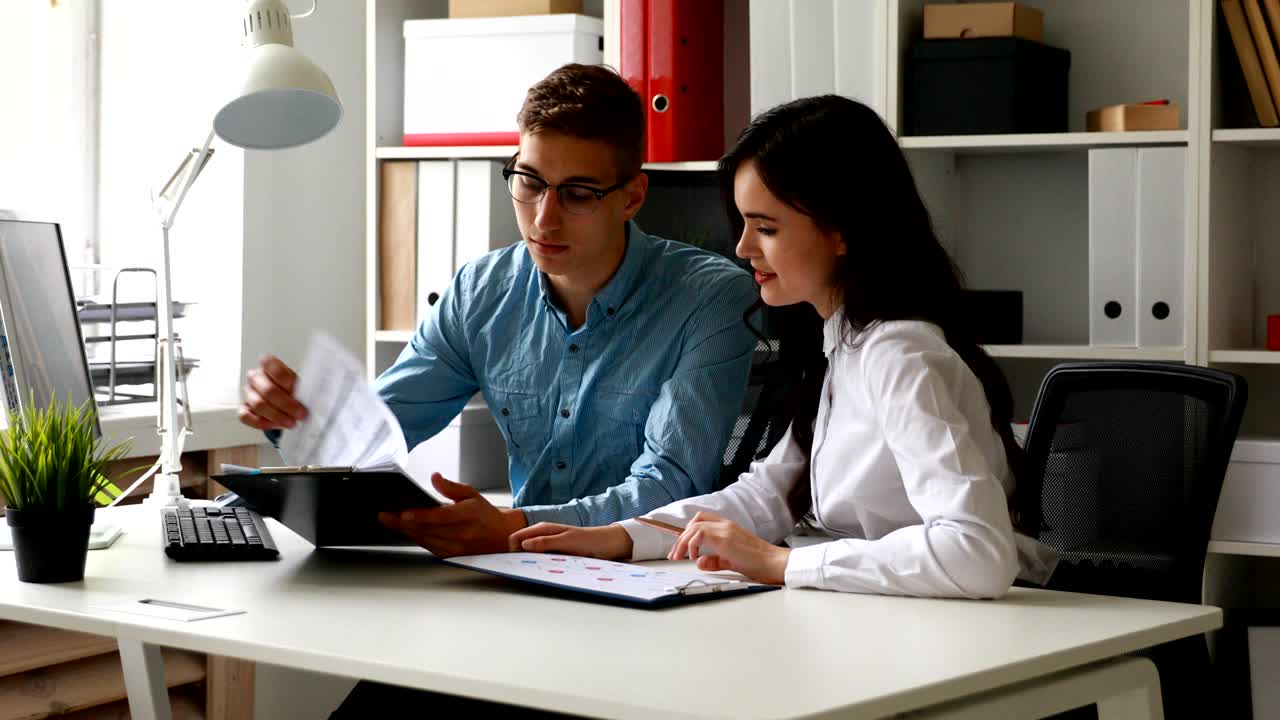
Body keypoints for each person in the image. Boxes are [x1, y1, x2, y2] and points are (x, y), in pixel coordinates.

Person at [510, 94, 1058, 598]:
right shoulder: (844, 345)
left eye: (765, 227)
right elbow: (765, 497)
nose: (744, 247)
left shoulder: (900, 355)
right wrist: (620, 538)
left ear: (841, 230)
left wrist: (780, 564)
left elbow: (978, 554)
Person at [238, 63, 758, 559]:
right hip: (517, 569)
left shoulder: (709, 299)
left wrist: (515, 524)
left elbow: (670, 488)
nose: (543, 219)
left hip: (655, 573)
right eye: (528, 182)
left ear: (631, 197)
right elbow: (375, 434)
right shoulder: (482, 292)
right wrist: (295, 415)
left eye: (578, 194)